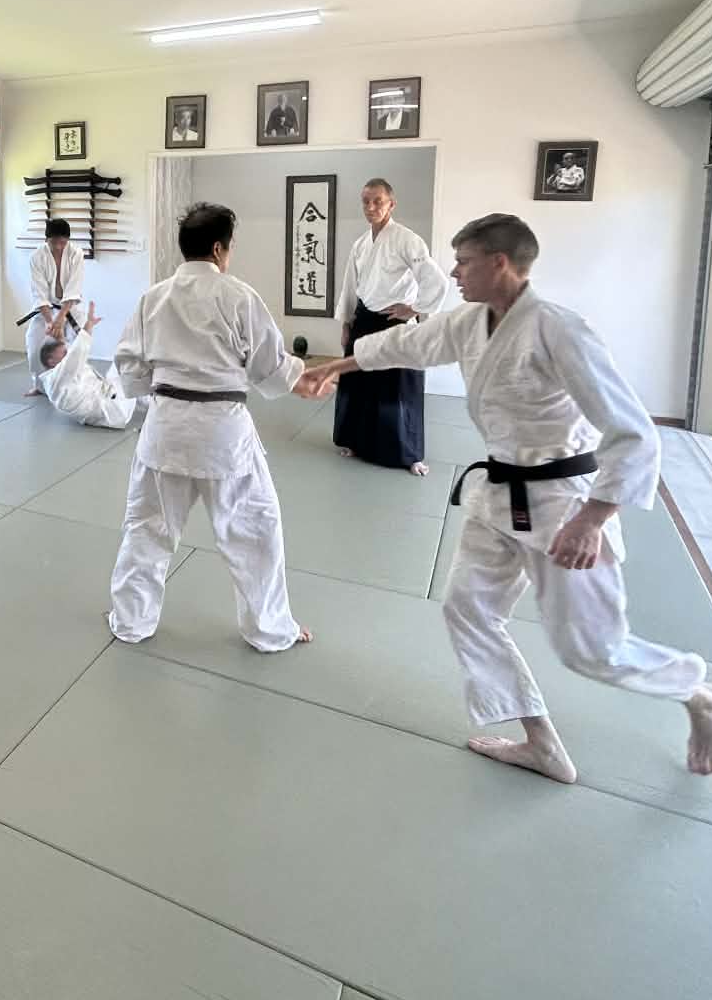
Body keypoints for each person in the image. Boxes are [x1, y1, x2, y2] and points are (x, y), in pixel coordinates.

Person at [320, 214, 712, 782]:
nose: (453, 272)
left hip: (563, 504)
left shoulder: (559, 329)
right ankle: (541, 742)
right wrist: (335, 367)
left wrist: (593, 519)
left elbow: (634, 433)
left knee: (593, 651)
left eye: (463, 261)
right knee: (467, 609)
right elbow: (408, 342)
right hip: (498, 494)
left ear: (499, 263)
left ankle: (702, 695)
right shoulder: (470, 321)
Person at [107, 202, 336, 650]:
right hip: (222, 436)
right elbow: (268, 365)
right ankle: (269, 629)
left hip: (165, 431)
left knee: (146, 531)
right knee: (255, 534)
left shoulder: (153, 298)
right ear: (218, 249)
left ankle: (131, 621)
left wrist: (163, 384)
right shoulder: (238, 296)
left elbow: (128, 363)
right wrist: (299, 381)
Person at [332, 178, 448, 474]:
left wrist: (415, 308)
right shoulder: (360, 244)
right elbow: (350, 285)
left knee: (399, 386)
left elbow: (435, 279)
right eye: (366, 201)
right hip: (364, 318)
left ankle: (409, 453)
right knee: (359, 383)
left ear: (391, 204)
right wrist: (346, 322)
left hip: (395, 321)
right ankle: (355, 440)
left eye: (378, 201)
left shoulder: (407, 239)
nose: (371, 207)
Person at [39, 307, 137, 429]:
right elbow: (76, 353)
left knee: (121, 359)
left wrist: (60, 334)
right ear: (51, 361)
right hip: (114, 409)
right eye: (64, 353)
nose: (67, 353)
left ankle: (149, 397)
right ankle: (153, 398)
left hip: (110, 397)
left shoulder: (62, 374)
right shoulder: (55, 381)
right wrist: (88, 326)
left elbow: (72, 351)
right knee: (132, 361)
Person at [24, 217, 86, 395]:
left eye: (62, 242)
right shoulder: (37, 257)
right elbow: (39, 292)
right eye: (54, 242)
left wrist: (60, 320)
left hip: (70, 309)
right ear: (46, 239)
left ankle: (74, 387)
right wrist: (50, 322)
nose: (59, 247)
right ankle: (40, 386)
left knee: (77, 348)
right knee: (34, 345)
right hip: (46, 310)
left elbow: (73, 289)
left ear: (68, 240)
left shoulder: (76, 254)